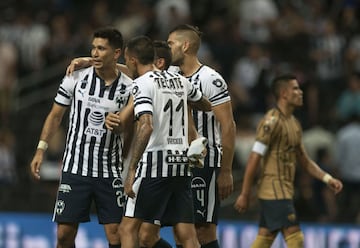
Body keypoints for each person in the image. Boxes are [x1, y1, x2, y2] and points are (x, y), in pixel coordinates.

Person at [30, 27, 133, 248]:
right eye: (93, 48)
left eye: (101, 49)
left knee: (116, 234)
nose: (95, 53)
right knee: (64, 235)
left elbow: (147, 75)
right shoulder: (75, 77)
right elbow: (56, 115)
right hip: (76, 169)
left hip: (110, 170)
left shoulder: (130, 86)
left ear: (116, 53)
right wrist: (41, 148)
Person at [116, 35, 210, 248]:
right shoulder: (180, 81)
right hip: (182, 164)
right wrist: (180, 102)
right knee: (186, 233)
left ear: (132, 60)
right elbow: (206, 104)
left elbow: (146, 125)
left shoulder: (141, 84)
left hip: (155, 165)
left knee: (127, 228)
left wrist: (131, 170)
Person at [233, 74, 343, 248]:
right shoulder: (271, 121)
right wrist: (245, 194)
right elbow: (255, 156)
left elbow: (305, 161)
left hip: (285, 189)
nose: (300, 92)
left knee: (265, 238)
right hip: (274, 190)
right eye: (296, 88)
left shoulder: (294, 124)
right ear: (284, 94)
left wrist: (327, 178)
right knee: (295, 237)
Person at [167, 24, 236, 248]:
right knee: (181, 230)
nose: (167, 50)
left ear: (185, 46)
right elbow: (137, 69)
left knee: (203, 230)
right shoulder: (168, 75)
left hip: (204, 162)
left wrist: (225, 171)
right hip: (176, 162)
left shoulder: (211, 79)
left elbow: (228, 126)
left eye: (170, 44)